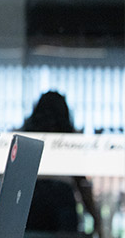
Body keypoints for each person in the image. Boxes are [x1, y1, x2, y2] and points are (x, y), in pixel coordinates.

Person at [21, 91, 103, 237]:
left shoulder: (27, 135)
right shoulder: (68, 139)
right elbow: (80, 181)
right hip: (62, 199)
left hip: (32, 198)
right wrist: (96, 219)